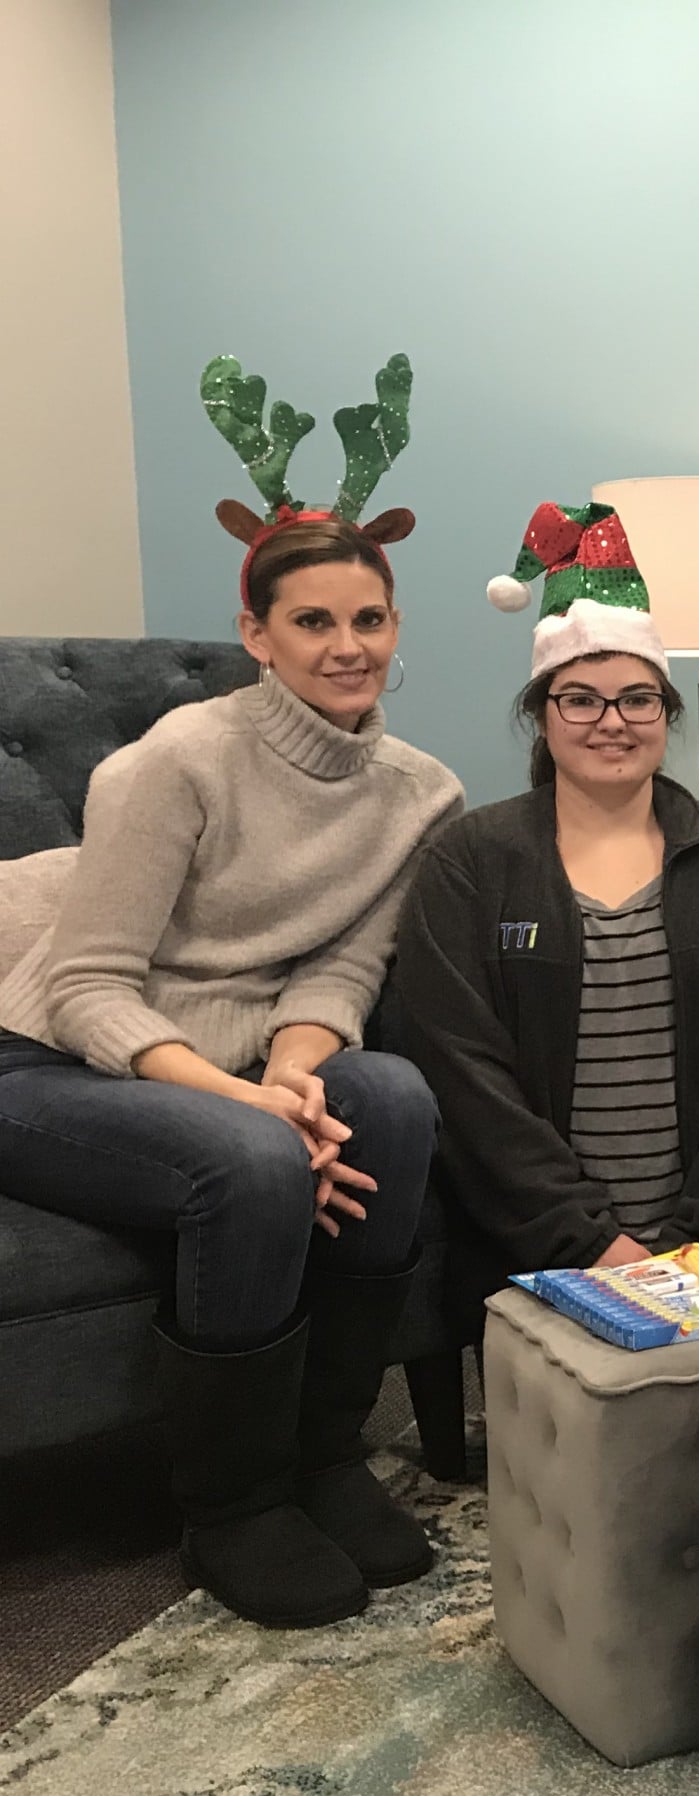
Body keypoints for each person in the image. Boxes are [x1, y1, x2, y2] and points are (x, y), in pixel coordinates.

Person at [0, 355, 462, 1629]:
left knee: (399, 1101)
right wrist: (254, 1110)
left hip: (246, 1056)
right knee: (251, 1166)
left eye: (367, 619)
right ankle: (234, 1504)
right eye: (312, 622)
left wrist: (298, 1078)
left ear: (395, 626)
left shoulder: (420, 792)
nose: (346, 645)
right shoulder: (178, 762)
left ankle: (326, 1456)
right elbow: (88, 983)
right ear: (256, 635)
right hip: (51, 1060)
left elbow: (344, 964)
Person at [394, 503, 699, 1290]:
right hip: (534, 1259)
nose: (611, 722)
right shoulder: (471, 861)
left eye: (638, 699)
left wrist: (696, 1247)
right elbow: (466, 1076)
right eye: (580, 698)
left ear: (666, 713)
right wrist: (589, 1245)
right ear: (541, 717)